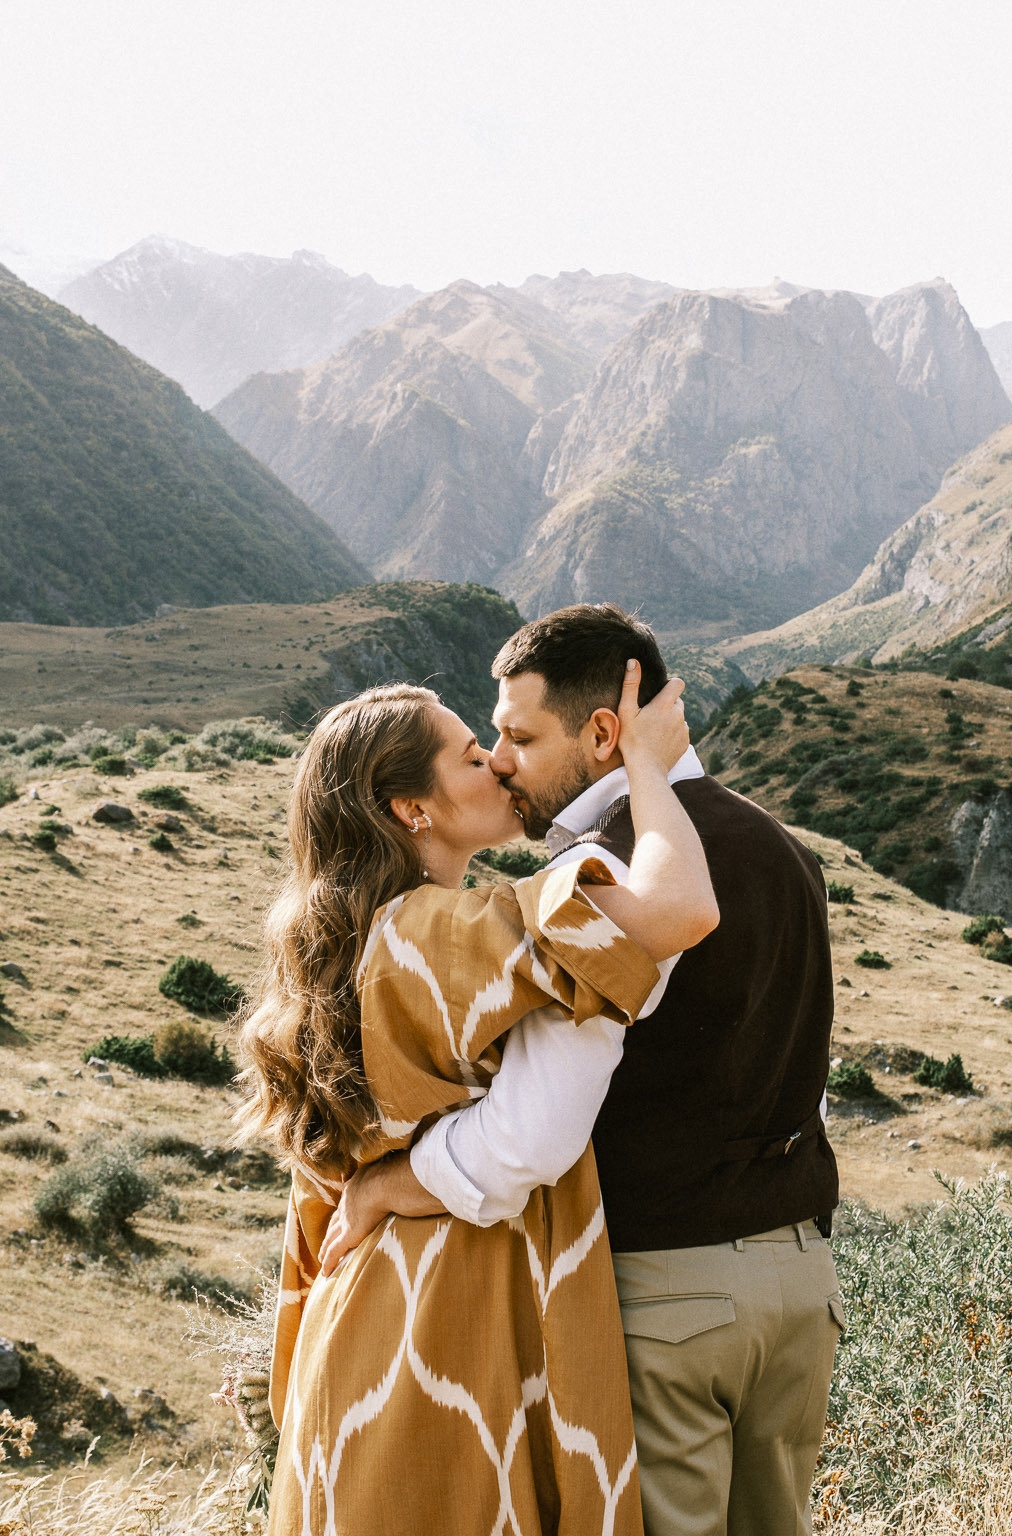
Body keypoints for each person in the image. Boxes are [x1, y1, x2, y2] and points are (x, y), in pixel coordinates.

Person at [326, 604, 841, 1536]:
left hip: (664, 1296)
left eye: (520, 734)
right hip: (802, 1285)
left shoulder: (615, 879)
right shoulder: (782, 847)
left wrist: (391, 1184)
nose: (502, 759)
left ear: (605, 733)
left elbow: (531, 1135)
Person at [236, 664, 719, 1535]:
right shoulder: (444, 935)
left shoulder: (335, 948)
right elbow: (680, 907)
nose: (498, 766)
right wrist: (647, 764)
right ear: (409, 808)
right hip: (448, 1328)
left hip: (353, 1333)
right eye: (469, 759)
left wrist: (383, 1189)